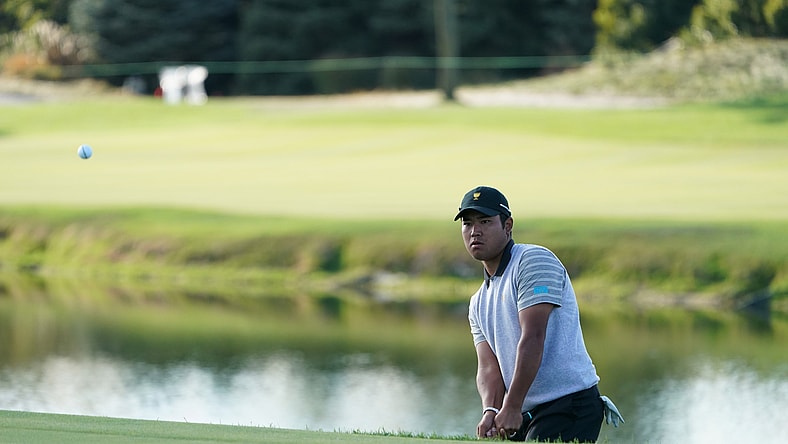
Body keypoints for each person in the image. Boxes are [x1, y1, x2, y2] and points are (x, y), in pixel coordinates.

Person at [454, 186, 623, 442]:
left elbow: (533, 337)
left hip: (569, 404)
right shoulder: (478, 301)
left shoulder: (533, 261)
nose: (475, 231)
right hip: (526, 411)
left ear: (508, 225)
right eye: (468, 224)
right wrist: (492, 409)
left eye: (486, 222)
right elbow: (489, 367)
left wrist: (511, 406)